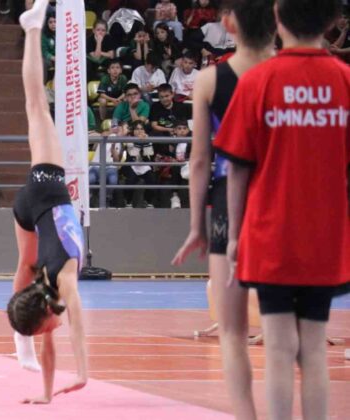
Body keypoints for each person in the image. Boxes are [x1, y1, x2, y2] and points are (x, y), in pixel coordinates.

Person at [214, 1, 348, 419]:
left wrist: (234, 236)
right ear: (332, 22)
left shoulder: (259, 81)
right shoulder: (345, 81)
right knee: (313, 349)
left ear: (278, 17)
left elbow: (236, 169)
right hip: (325, 242)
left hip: (270, 238)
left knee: (278, 349)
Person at [171, 1, 277, 418]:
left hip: (227, 202)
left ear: (229, 23)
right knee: (286, 330)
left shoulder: (211, 79)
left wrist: (196, 224)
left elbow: (199, 159)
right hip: (280, 199)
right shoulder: (290, 74)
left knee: (233, 335)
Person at [6, 0, 88, 404]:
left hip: (46, 187)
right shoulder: (55, 288)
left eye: (39, 332)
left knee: (36, 103)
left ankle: (33, 28)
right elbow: (66, 332)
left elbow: (72, 331)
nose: (49, 335)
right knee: (24, 264)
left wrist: (74, 380)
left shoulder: (62, 283)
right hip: (31, 205)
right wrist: (63, 388)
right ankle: (20, 343)